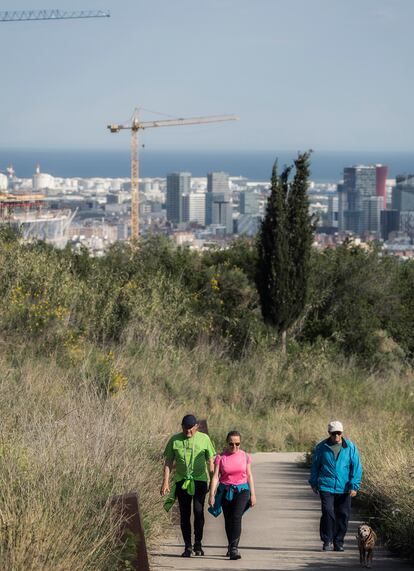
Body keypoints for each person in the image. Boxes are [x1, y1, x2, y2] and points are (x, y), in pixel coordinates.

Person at [160, 414, 215, 557]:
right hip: (182, 481)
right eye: (185, 428)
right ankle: (187, 546)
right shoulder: (175, 440)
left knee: (198, 511)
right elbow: (168, 462)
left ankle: (198, 543)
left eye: (190, 428)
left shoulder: (204, 439)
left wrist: (213, 481)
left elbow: (211, 461)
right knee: (184, 515)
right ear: (181, 427)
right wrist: (165, 482)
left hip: (200, 481)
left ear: (196, 427)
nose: (187, 431)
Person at [309, 420, 362, 552]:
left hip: (344, 487)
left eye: (339, 433)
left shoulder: (350, 447)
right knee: (327, 512)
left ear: (342, 433)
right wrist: (314, 482)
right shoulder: (322, 447)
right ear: (329, 433)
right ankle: (327, 540)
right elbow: (315, 465)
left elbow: (356, 467)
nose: (336, 436)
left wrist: (354, 485)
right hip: (326, 486)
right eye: (334, 434)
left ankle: (338, 541)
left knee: (343, 514)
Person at [208, 430, 256, 560]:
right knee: (228, 519)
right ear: (227, 443)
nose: (234, 447)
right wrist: (212, 494)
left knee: (236, 516)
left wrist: (253, 494)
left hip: (242, 490)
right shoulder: (221, 457)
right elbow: (216, 477)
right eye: (231, 444)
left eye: (237, 444)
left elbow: (249, 475)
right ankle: (230, 546)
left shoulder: (245, 456)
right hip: (225, 491)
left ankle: (234, 548)